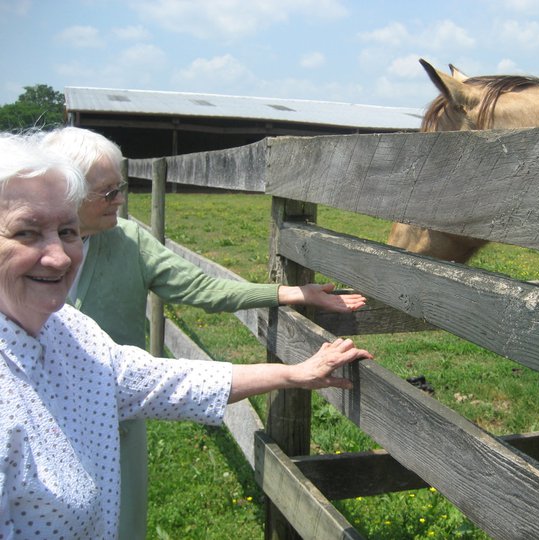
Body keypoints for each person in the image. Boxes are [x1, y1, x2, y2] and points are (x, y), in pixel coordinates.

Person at [0, 132, 372, 539]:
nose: (56, 255)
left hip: (117, 425)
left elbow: (158, 377)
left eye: (66, 232)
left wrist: (292, 346)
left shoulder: (75, 332)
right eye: (26, 233)